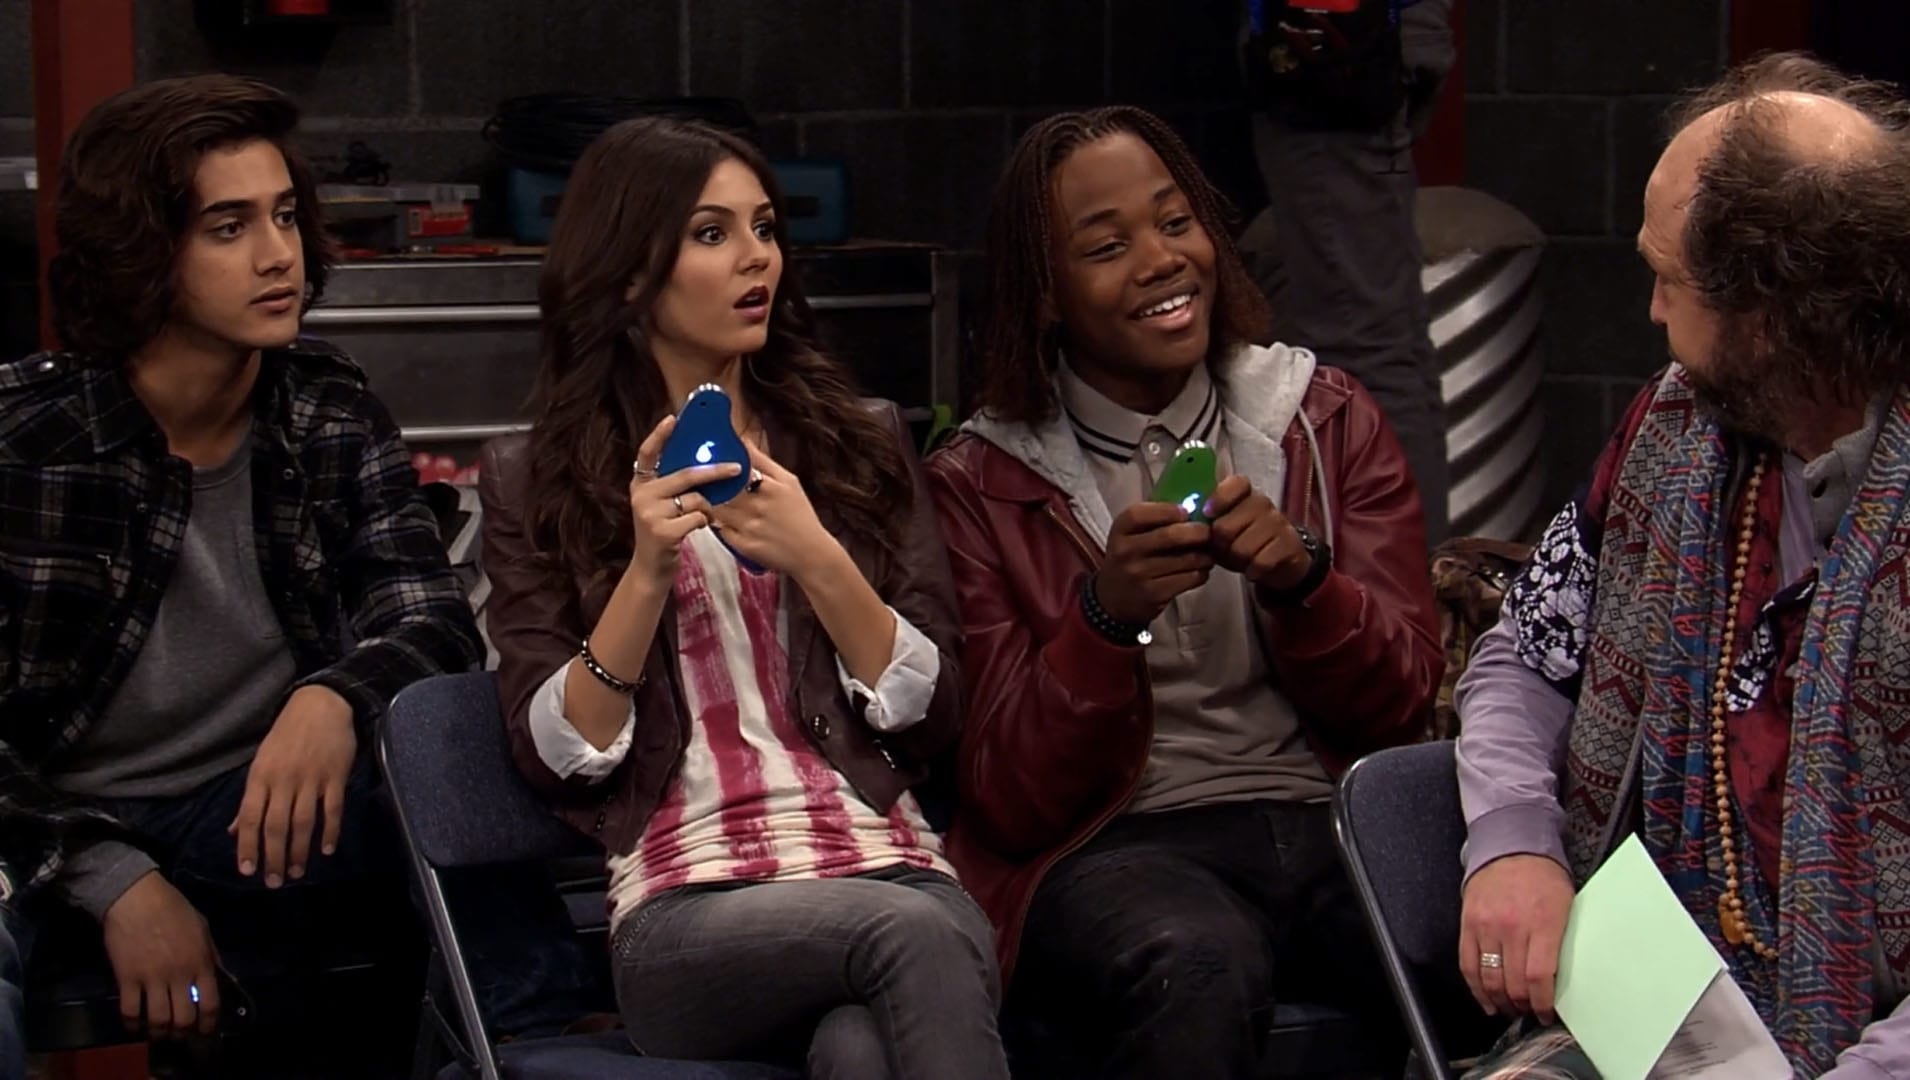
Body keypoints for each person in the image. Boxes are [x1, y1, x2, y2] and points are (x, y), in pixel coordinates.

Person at [479, 115, 1008, 1079]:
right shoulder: (535, 479)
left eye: (764, 227)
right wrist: (645, 570)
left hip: (888, 863)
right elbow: (558, 762)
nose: (757, 256)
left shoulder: (860, 441)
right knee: (909, 938)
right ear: (629, 274)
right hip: (687, 906)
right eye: (712, 233)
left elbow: (935, 721)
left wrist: (817, 557)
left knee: (860, 1051)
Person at [927, 105, 1443, 1079]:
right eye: (1107, 246)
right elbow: (1007, 799)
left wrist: (1304, 582)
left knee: (1485, 944)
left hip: (1328, 817)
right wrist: (1103, 618)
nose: (1162, 260)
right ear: (1046, 293)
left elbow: (1403, 704)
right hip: (1119, 843)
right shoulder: (980, 483)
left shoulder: (1326, 422)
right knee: (1196, 965)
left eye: (1175, 223)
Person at [0, 74, 484, 1077]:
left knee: (451, 768)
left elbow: (432, 618)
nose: (279, 256)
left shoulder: (326, 406)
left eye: (285, 216)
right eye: (229, 227)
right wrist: (111, 879)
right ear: (142, 251)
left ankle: (529, 1047)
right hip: (44, 836)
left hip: (257, 816)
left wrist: (333, 698)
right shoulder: (27, 441)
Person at [1454, 53, 1910, 1080]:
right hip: (1663, 1013)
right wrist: (1515, 840)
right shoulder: (1675, 430)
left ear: (1780, 312)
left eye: (1670, 279)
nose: (1654, 315)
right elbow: (1527, 653)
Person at [1240, 0, 1455, 545]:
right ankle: (1418, 574)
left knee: (1360, 346)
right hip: (1350, 45)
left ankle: (1402, 579)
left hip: (1333, 45)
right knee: (1385, 340)